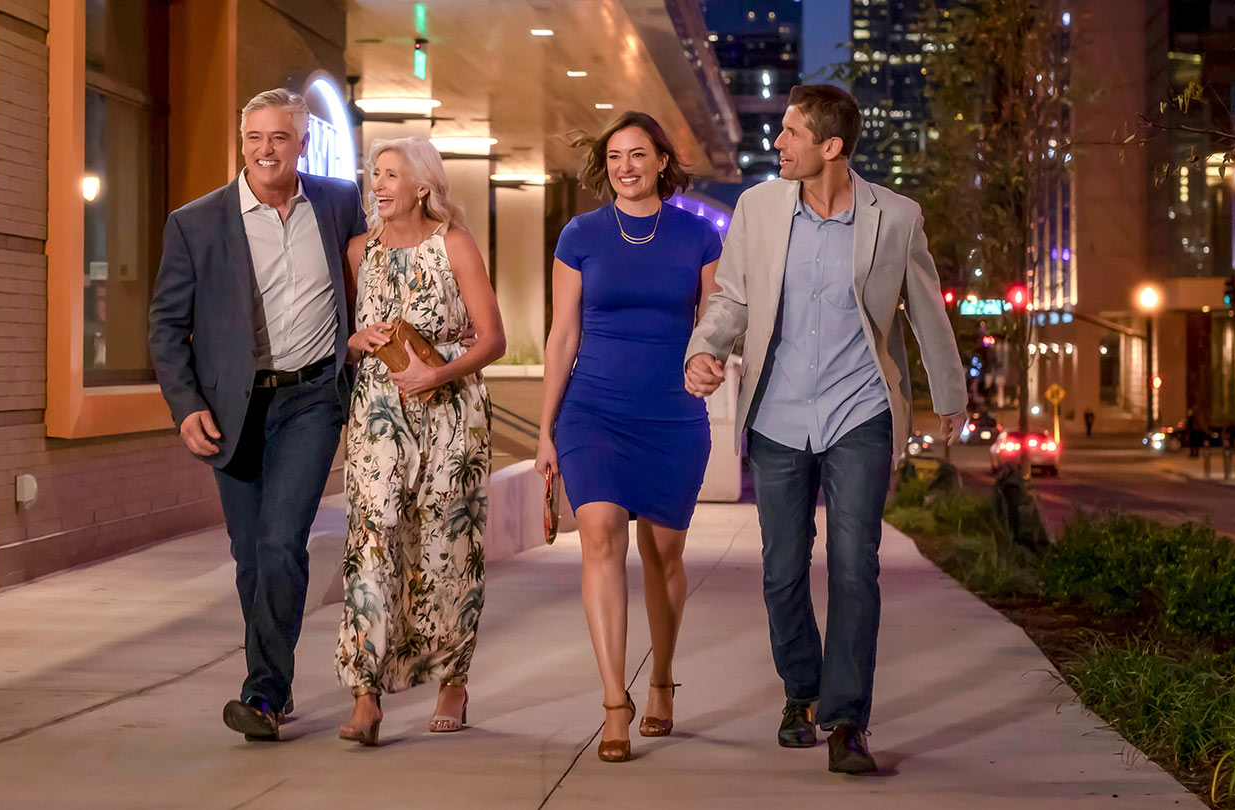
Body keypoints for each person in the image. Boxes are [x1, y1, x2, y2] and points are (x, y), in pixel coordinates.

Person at [684, 85, 966, 775]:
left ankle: (846, 720)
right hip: (779, 414)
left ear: (831, 147)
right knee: (782, 572)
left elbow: (925, 310)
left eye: (789, 133)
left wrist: (949, 393)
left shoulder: (895, 218)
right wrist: (705, 348)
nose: (776, 143)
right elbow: (734, 298)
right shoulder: (758, 208)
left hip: (860, 411)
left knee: (853, 566)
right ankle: (800, 692)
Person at [148, 89, 365, 742]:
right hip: (232, 410)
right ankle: (275, 676)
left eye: (279, 138)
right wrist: (185, 406)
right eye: (254, 138)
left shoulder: (337, 202)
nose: (266, 150)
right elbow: (165, 326)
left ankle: (264, 693)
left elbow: (373, 273)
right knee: (250, 555)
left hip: (311, 400)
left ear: (302, 143)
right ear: (241, 142)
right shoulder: (197, 223)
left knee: (280, 542)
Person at [537, 111, 723, 764]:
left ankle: (663, 677)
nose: (626, 167)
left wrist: (713, 360)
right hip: (594, 410)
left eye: (638, 155)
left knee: (664, 554)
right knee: (599, 537)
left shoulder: (697, 236)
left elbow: (715, 322)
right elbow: (563, 336)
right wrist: (545, 431)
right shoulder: (581, 235)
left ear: (662, 162)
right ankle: (615, 701)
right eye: (615, 157)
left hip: (672, 413)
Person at [333, 137, 504, 746]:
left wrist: (435, 373)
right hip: (379, 412)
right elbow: (345, 334)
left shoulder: (453, 244)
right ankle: (365, 693)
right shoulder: (359, 252)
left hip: (451, 409)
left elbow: (493, 339)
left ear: (422, 188)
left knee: (446, 546)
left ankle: (452, 679)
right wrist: (356, 342)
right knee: (372, 542)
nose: (377, 185)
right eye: (374, 174)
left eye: (391, 176)